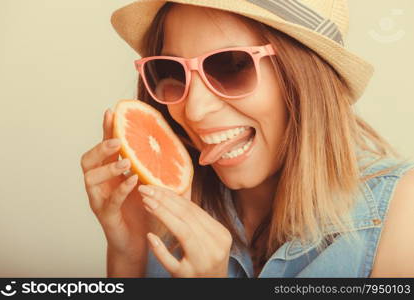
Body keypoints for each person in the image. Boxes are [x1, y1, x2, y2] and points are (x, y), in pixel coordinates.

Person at [80, 0, 414, 277]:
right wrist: (129, 252)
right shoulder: (160, 208)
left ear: (304, 77)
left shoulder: (401, 216)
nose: (193, 110)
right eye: (171, 71)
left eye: (230, 66)